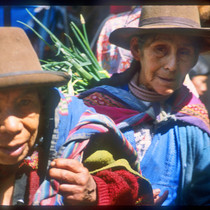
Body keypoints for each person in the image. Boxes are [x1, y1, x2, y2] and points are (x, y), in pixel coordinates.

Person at [0, 27, 154, 205]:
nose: (12, 126)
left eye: (25, 103)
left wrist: (95, 190)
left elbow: (130, 186)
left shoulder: (72, 131)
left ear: (41, 102)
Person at [79, 5, 210, 205]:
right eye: (160, 49)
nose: (171, 65)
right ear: (136, 49)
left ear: (194, 59)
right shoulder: (94, 110)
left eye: (184, 52)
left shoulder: (193, 121)